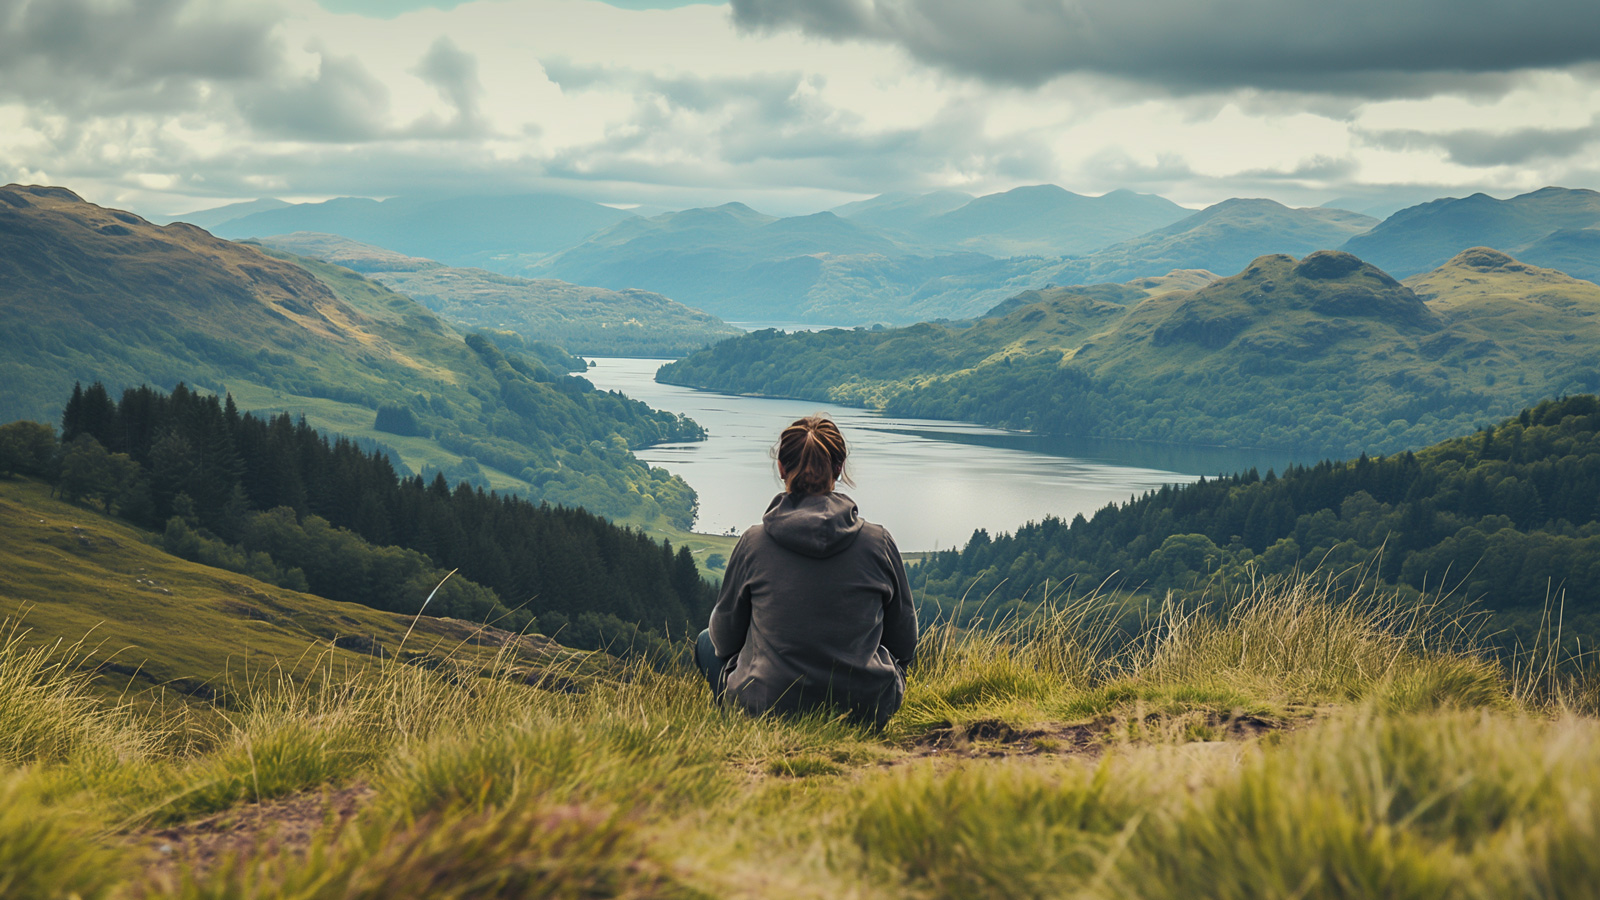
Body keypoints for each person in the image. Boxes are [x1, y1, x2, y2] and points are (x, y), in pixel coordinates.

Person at [695, 414, 917, 729]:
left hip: (769, 709)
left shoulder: (754, 543)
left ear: (781, 468)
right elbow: (905, 642)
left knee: (705, 642)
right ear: (839, 468)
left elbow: (723, 639)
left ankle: (740, 732)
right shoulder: (878, 542)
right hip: (864, 710)